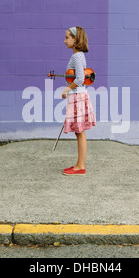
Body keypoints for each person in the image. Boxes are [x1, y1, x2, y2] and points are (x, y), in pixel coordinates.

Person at [61, 26, 96, 176]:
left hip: (78, 96)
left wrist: (68, 88)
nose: (64, 41)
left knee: (80, 132)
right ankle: (79, 164)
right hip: (80, 95)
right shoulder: (79, 55)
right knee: (79, 132)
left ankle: (80, 166)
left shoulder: (76, 57)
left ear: (75, 39)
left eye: (67, 37)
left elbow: (81, 79)